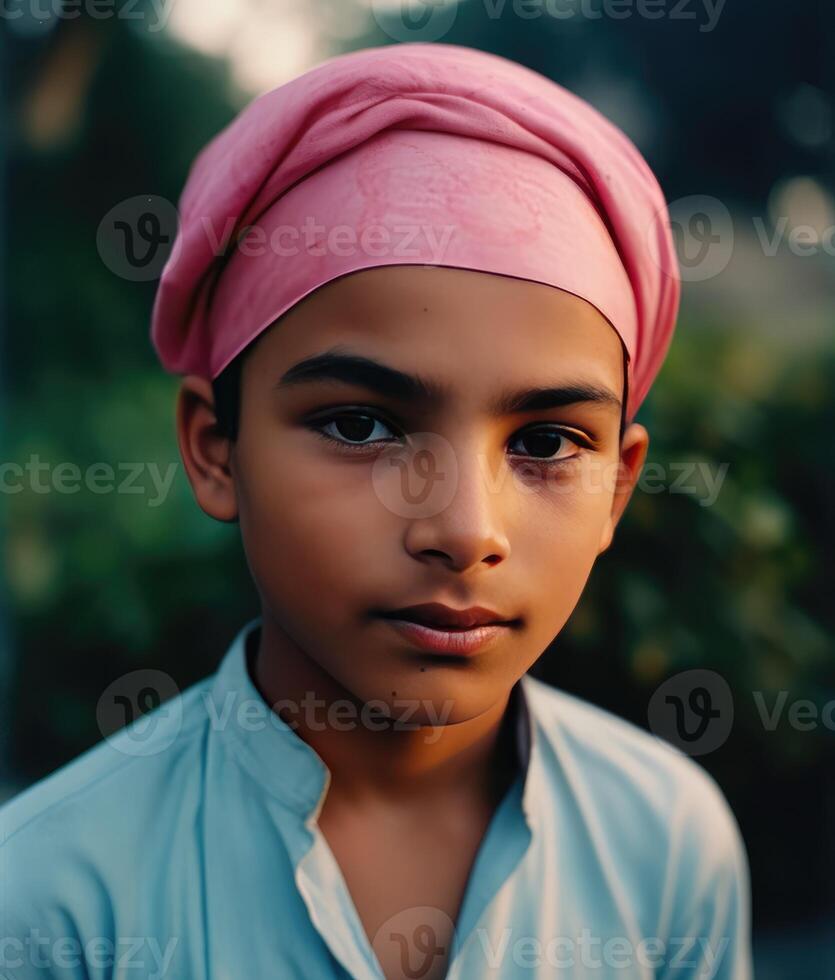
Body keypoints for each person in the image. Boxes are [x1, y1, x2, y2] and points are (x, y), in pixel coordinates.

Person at [0, 42, 752, 979]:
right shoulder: (49, 902)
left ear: (618, 486)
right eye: (361, 426)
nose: (466, 530)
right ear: (213, 447)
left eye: (548, 442)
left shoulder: (667, 844)